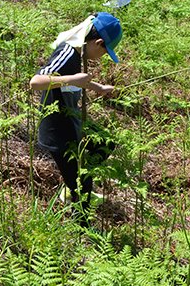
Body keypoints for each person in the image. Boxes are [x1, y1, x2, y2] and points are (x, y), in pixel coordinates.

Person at [29, 12, 121, 225]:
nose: (103, 56)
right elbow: (35, 82)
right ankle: (81, 226)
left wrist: (99, 87)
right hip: (57, 129)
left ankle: (74, 180)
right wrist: (72, 79)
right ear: (97, 42)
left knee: (105, 144)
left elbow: (78, 82)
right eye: (105, 52)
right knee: (83, 183)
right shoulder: (68, 53)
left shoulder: (79, 53)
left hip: (71, 120)